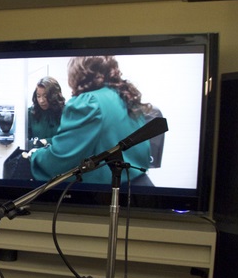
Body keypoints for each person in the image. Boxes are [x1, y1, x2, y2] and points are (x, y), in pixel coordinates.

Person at [28, 56, 153, 184]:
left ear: (78, 75)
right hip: (141, 187)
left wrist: (34, 156)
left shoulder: (89, 102)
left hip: (113, 193)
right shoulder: (124, 96)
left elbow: (61, 159)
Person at [26, 76, 65, 145]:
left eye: (45, 96)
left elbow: (68, 139)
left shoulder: (66, 113)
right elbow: (24, 141)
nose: (41, 101)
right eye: (38, 96)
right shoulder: (30, 113)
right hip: (38, 153)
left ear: (54, 96)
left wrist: (47, 141)